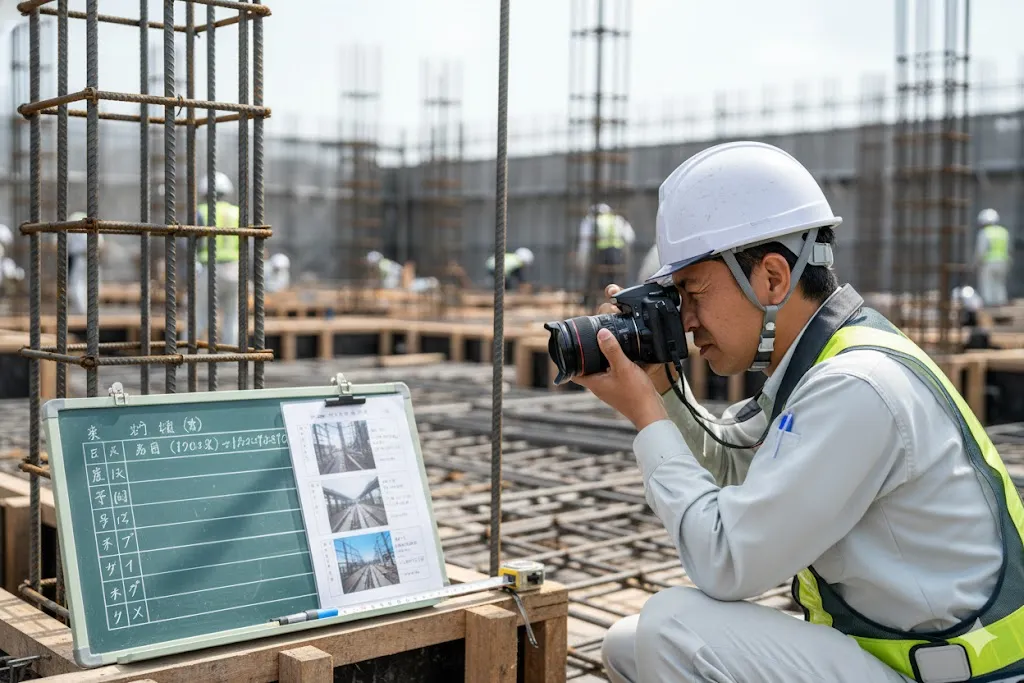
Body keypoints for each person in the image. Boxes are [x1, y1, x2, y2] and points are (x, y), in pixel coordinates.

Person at [574, 141, 1024, 682]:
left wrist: (649, 419)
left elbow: (726, 561)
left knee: (671, 628)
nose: (687, 320)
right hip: (899, 659)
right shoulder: (826, 360)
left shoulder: (855, 386)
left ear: (772, 278)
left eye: (693, 291)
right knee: (630, 644)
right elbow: (734, 462)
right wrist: (661, 388)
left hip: (958, 677)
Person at [195, 171, 241, 347]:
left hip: (209, 269)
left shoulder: (201, 212)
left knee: (199, 314)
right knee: (232, 316)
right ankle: (230, 354)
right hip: (234, 270)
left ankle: (189, 353)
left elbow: (192, 243)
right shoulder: (236, 213)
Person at [577, 203, 636, 277]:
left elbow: (585, 242)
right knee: (615, 277)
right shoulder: (617, 219)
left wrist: (581, 258)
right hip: (616, 253)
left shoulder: (591, 220)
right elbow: (630, 237)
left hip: (601, 254)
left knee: (601, 277)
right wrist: (626, 253)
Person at [66, 211, 104, 315]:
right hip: (92, 256)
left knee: (77, 283)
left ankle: (81, 310)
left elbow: (63, 242)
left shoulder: (72, 221)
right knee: (93, 283)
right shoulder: (93, 224)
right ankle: (91, 310)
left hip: (79, 257)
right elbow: (101, 244)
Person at [974, 208, 1011, 307]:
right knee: (1000, 283)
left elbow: (981, 250)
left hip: (988, 263)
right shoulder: (1003, 232)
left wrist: (977, 263)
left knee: (987, 284)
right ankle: (1001, 301)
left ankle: (989, 305)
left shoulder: (984, 232)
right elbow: (1008, 248)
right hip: (1003, 261)